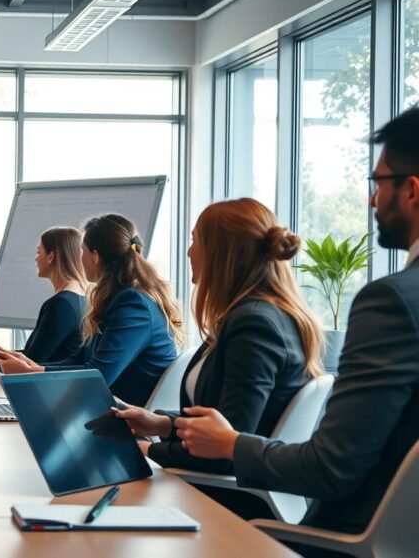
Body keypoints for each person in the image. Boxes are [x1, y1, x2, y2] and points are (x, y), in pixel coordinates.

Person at [173, 108, 419, 539]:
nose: (372, 199)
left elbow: (330, 469)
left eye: (377, 182)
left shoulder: (393, 302)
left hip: (339, 542)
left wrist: (229, 443)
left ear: (412, 191)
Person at [114, 198, 324, 485]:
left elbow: (223, 448)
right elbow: (229, 421)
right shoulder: (257, 316)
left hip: (227, 498)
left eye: (194, 241)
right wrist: (162, 424)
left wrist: (146, 449)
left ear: (221, 253)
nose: (189, 252)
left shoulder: (253, 324)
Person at [0, 214, 181, 407]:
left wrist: (30, 373)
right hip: (107, 407)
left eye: (82, 250)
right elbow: (81, 358)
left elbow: (99, 375)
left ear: (95, 257)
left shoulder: (132, 305)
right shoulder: (116, 299)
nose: (79, 257)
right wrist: (31, 366)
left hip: (125, 416)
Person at [19, 226, 91, 363]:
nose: (36, 259)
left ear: (51, 257)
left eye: (38, 252)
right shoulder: (82, 297)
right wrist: (0, 356)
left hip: (48, 383)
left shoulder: (61, 304)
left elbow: (32, 361)